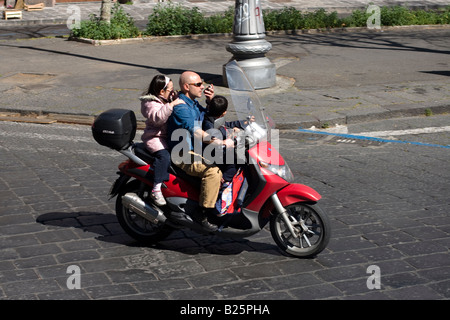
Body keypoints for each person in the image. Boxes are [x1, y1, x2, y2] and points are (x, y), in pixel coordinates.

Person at [167, 71, 234, 231]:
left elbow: (207, 117)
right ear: (186, 86)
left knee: (229, 160)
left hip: (198, 149)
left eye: (202, 83)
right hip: (183, 153)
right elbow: (196, 131)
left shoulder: (193, 103)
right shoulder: (181, 107)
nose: (202, 87)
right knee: (213, 172)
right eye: (198, 84)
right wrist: (220, 141)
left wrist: (210, 101)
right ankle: (202, 213)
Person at [140, 74, 183, 206]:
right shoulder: (150, 103)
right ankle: (156, 188)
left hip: (167, 137)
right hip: (155, 138)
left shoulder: (164, 99)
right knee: (164, 157)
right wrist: (173, 104)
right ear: (161, 91)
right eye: (170, 90)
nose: (173, 93)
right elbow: (158, 118)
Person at [202, 95, 246, 183]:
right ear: (224, 112)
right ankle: (223, 183)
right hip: (215, 155)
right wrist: (232, 135)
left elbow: (227, 125)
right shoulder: (209, 124)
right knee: (235, 164)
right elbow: (217, 140)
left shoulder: (215, 118)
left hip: (222, 151)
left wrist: (244, 122)